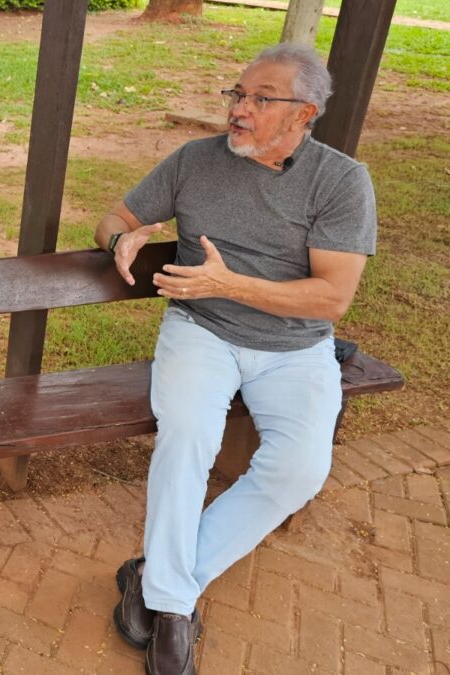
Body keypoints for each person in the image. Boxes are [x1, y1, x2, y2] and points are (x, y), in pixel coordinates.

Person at [94, 44, 376, 675]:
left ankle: (159, 581)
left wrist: (230, 283)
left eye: (259, 99)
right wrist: (123, 234)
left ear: (303, 114)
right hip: (202, 330)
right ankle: (172, 604)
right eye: (236, 94)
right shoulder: (195, 160)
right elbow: (113, 215)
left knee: (299, 470)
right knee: (187, 437)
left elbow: (332, 298)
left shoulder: (340, 181)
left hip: (295, 349)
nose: (239, 110)